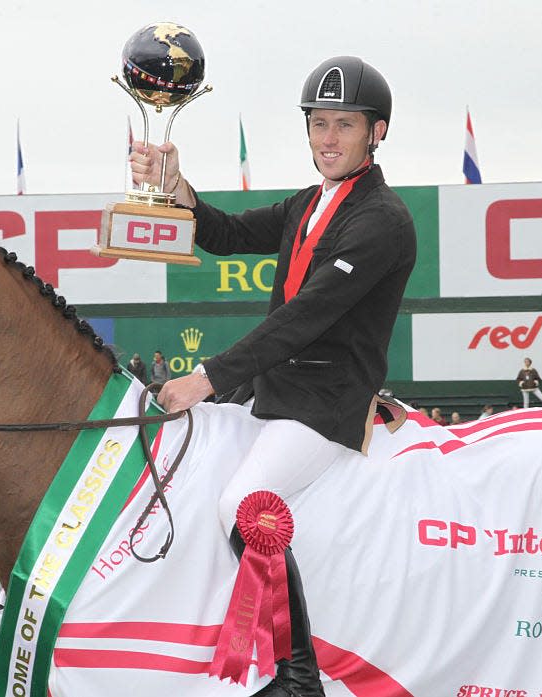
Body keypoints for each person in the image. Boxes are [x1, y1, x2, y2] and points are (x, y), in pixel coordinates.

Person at [132, 56, 416, 697]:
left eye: (345, 125)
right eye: (319, 123)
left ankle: (298, 674)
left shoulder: (383, 221)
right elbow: (227, 234)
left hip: (328, 402)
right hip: (276, 395)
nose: (328, 139)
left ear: (378, 133)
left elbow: (303, 320)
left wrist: (206, 377)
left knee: (243, 504)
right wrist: (180, 193)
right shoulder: (311, 203)